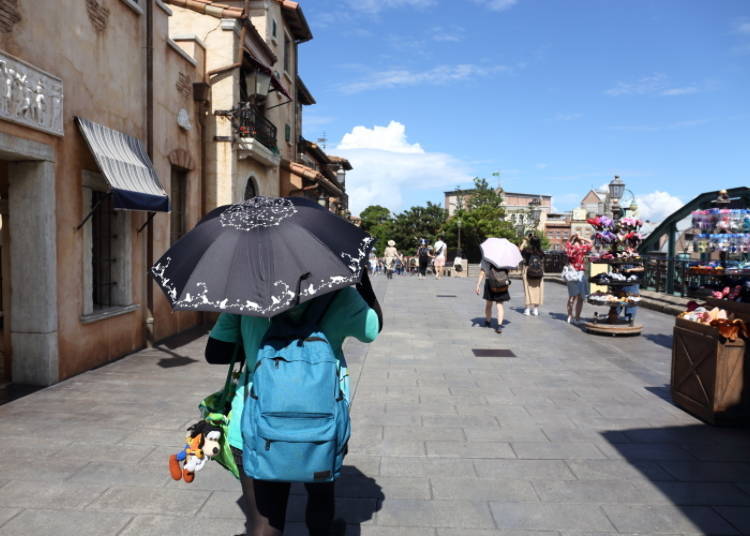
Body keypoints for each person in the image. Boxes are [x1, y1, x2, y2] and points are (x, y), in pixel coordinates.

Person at [204, 279, 381, 536]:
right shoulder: (339, 294)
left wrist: (257, 344)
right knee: (321, 499)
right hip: (322, 419)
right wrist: (363, 284)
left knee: (264, 521)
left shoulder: (245, 295)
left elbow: (215, 352)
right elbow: (372, 330)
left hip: (255, 421)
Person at [475, 258, 511, 333]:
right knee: (500, 305)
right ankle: (499, 325)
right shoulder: (503, 258)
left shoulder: (486, 258)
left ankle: (488, 321)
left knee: (489, 304)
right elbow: (508, 271)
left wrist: (478, 285)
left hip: (490, 282)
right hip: (501, 283)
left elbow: (482, 272)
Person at [564, 233, 593, 324]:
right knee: (580, 297)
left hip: (571, 274)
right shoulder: (581, 249)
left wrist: (573, 236)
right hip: (579, 274)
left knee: (571, 297)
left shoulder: (570, 248)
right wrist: (582, 237)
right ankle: (577, 318)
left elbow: (568, 242)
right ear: (580, 241)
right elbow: (591, 243)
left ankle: (569, 316)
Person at [521, 235, 545, 316]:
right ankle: (535, 309)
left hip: (528, 271)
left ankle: (527, 309)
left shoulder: (527, 250)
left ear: (530, 242)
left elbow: (520, 250)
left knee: (527, 291)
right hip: (538, 272)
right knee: (538, 290)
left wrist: (524, 241)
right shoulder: (541, 252)